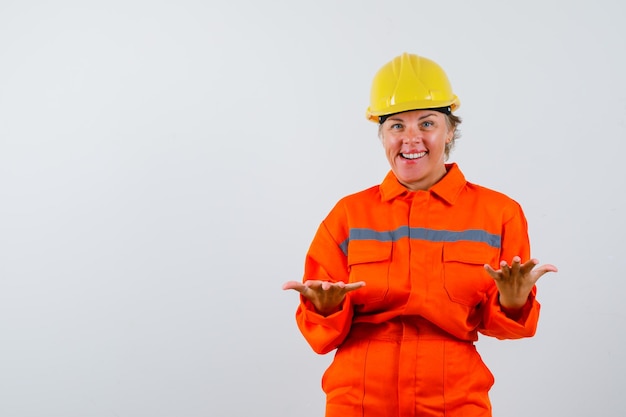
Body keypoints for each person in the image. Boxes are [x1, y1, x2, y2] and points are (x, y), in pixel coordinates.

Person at [282, 52, 558, 417]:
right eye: (396, 125)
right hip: (359, 398)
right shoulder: (349, 215)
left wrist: (513, 303)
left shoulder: (498, 214)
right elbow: (321, 337)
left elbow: (501, 328)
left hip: (454, 399)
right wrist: (326, 309)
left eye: (426, 123)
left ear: (450, 130)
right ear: (381, 135)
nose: (411, 138)